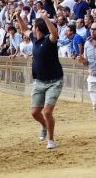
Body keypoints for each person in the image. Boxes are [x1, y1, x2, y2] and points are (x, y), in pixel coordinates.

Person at [16, 9, 63, 149]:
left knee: (47, 112)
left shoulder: (49, 39)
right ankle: (43, 126)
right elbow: (24, 29)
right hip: (39, 81)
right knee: (35, 113)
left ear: (37, 28)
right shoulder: (34, 39)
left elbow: (55, 33)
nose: (31, 27)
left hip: (54, 82)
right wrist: (18, 16)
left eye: (34, 25)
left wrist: (45, 18)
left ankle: (51, 139)